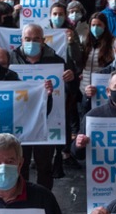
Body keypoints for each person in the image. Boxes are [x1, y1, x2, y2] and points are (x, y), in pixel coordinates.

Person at [10, 24, 75, 190]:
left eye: (36, 39)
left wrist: (71, 79)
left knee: (45, 167)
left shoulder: (56, 61)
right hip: (19, 123)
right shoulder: (10, 59)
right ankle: (22, 199)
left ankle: (44, 200)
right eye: (27, 39)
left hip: (48, 122)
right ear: (21, 40)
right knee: (20, 166)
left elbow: (71, 92)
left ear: (43, 40)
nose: (32, 42)